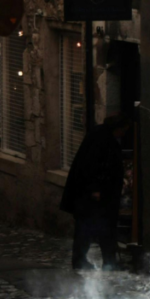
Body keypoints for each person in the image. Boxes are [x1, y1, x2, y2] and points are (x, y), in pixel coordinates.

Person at [59, 114, 131, 270]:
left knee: (103, 228)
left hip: (101, 195)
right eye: (123, 130)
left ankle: (108, 261)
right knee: (87, 228)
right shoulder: (101, 139)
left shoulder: (102, 136)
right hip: (92, 196)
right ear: (117, 128)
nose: (123, 134)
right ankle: (81, 260)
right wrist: (95, 189)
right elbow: (90, 164)